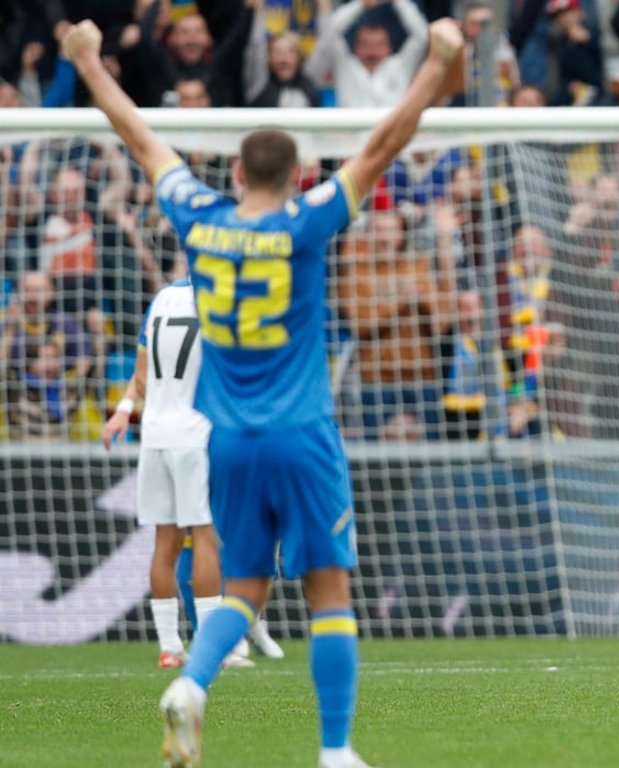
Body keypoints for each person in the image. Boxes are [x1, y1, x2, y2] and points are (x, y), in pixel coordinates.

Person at [64, 15, 465, 768]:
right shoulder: (306, 224)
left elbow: (140, 138)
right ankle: (335, 750)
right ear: (300, 176)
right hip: (301, 432)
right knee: (328, 588)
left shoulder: (198, 219)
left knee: (245, 583)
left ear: (238, 176)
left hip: (228, 439)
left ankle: (191, 682)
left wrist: (88, 61)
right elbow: (384, 144)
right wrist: (438, 63)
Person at [101, 280, 252, 671]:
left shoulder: (163, 299)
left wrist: (124, 410)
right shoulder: (222, 300)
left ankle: (169, 647)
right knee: (204, 537)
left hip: (155, 434)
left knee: (164, 543)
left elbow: (141, 375)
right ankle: (211, 645)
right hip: (195, 434)